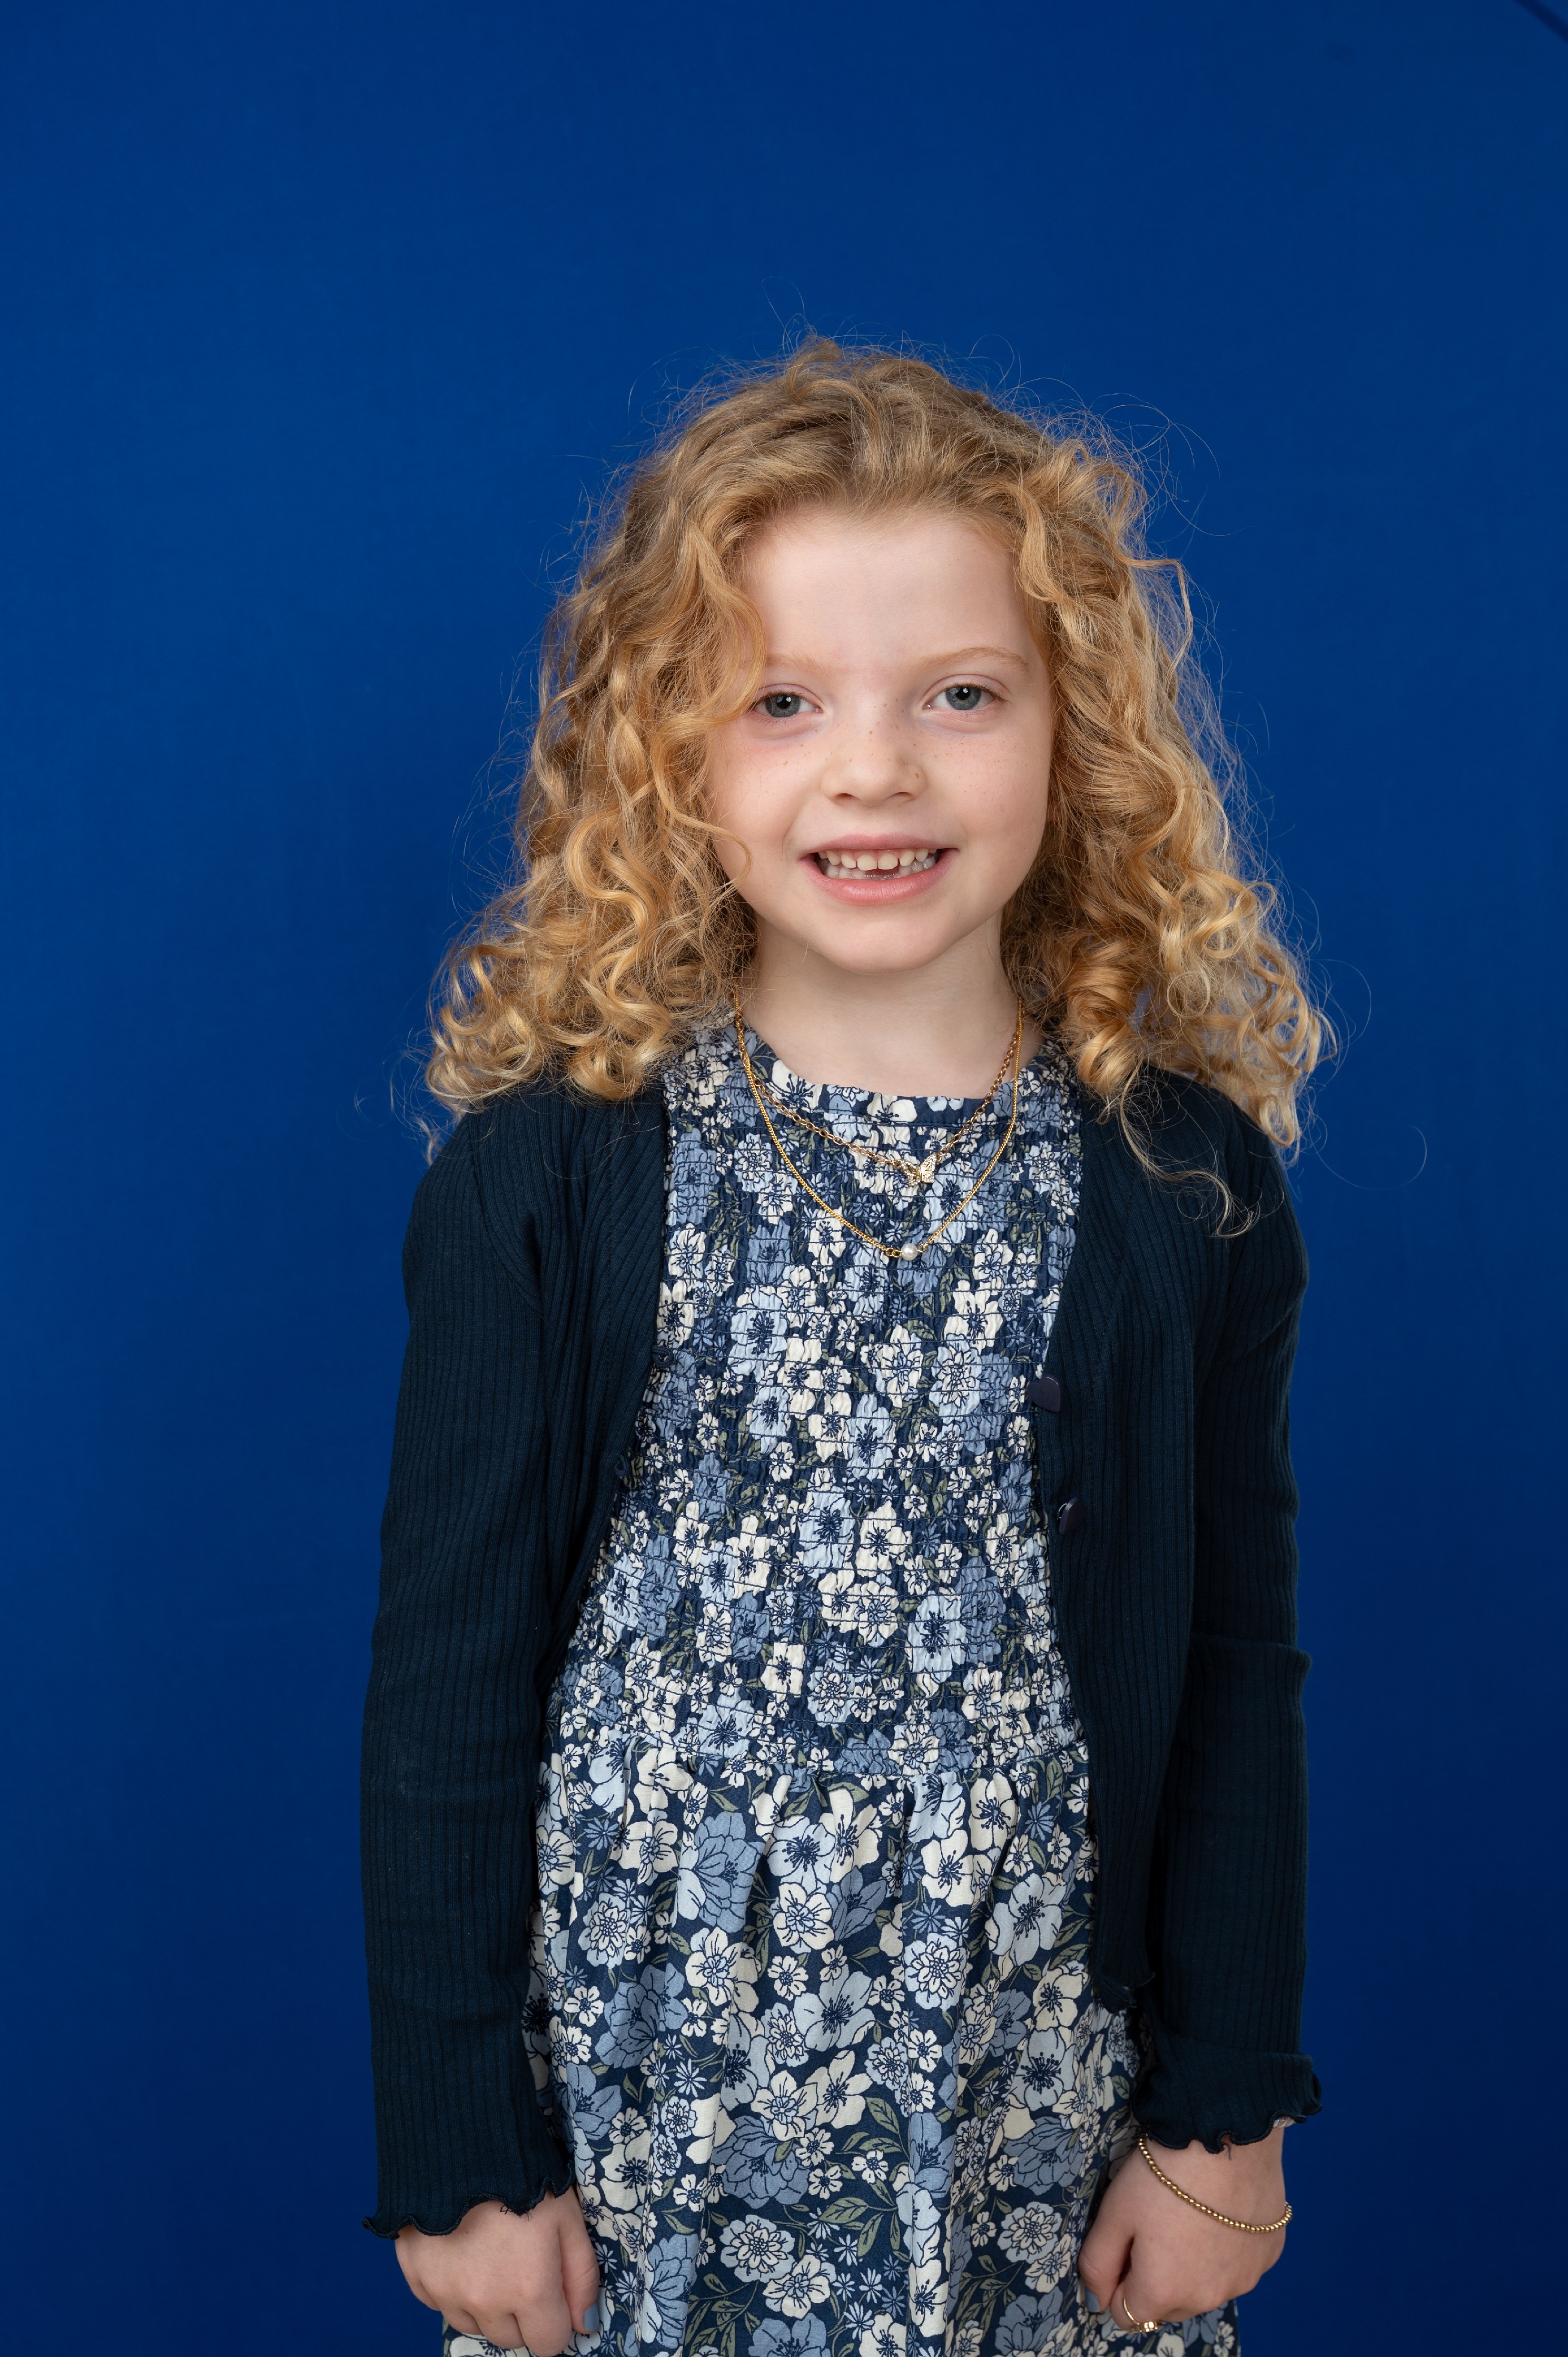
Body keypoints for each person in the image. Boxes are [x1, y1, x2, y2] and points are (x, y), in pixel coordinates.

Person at [361, 344, 1325, 2357]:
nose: (873, 770)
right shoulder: (549, 1182)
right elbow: (447, 1692)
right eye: (781, 700)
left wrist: (1224, 2116)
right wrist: (463, 2150)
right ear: (670, 752)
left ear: (1075, 730)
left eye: (959, 694)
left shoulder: (1177, 1190)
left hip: (1036, 2134)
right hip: (644, 2144)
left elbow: (1234, 1660)